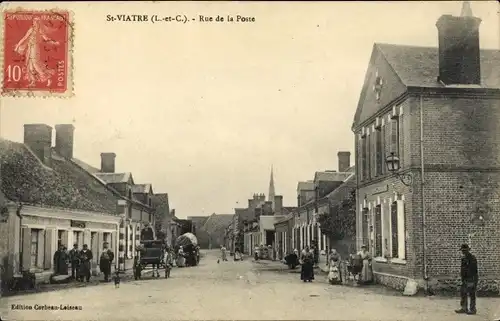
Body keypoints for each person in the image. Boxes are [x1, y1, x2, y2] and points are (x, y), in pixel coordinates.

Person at [455, 244, 478, 315]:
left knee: (471, 294)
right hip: (464, 279)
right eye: (462, 250)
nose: (463, 252)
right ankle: (464, 308)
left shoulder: (472, 258)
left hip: (471, 278)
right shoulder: (463, 258)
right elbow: (463, 269)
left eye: (464, 250)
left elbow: (474, 270)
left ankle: (473, 309)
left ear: (468, 250)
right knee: (463, 293)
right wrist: (462, 278)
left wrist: (473, 281)